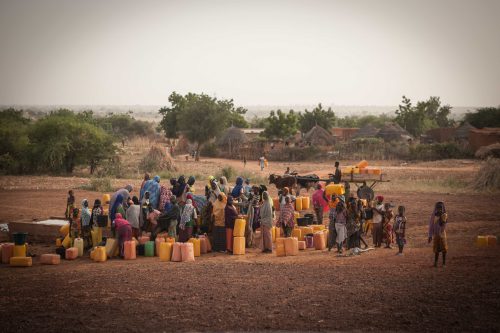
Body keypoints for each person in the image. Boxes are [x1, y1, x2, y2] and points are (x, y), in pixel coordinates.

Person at [428, 202, 448, 267]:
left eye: (441, 208)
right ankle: (435, 263)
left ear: (442, 208)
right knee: (436, 249)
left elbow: (443, 225)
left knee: (444, 249)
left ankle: (444, 263)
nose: (439, 210)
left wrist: (441, 217)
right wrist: (430, 236)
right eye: (438, 208)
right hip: (436, 235)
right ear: (436, 208)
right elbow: (431, 226)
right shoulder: (433, 215)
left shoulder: (444, 215)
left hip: (442, 234)